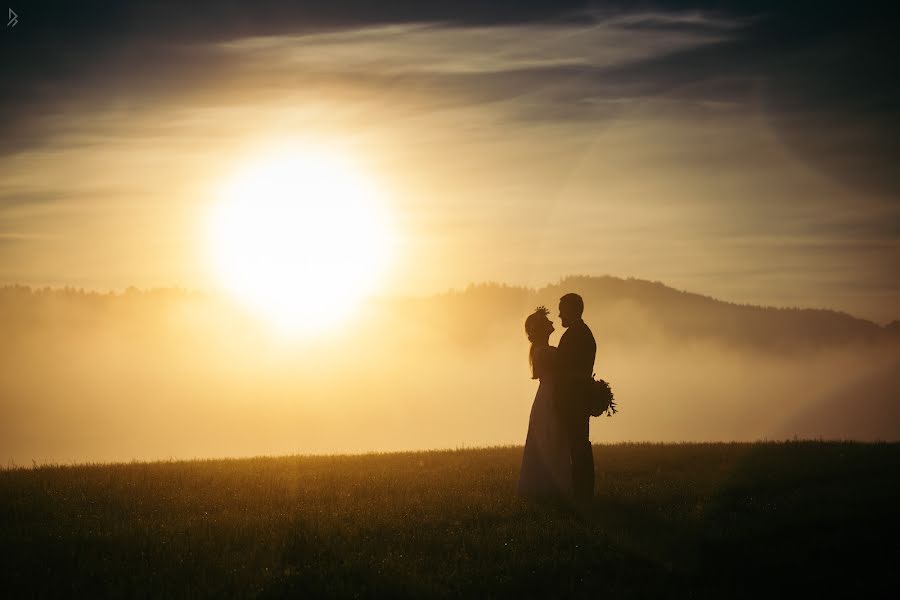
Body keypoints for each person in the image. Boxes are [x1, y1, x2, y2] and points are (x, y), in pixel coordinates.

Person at [517, 306, 573, 500]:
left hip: (549, 394)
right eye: (547, 322)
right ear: (542, 328)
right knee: (550, 435)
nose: (552, 323)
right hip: (549, 397)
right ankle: (546, 486)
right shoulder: (543, 352)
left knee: (553, 436)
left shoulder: (543, 350)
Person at [555, 293, 596, 505]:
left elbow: (570, 369)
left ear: (572, 309)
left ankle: (583, 492)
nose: (559, 313)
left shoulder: (577, 335)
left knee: (578, 444)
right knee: (578, 443)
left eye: (562, 309)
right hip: (576, 398)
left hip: (575, 399)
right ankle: (581, 489)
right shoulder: (579, 333)